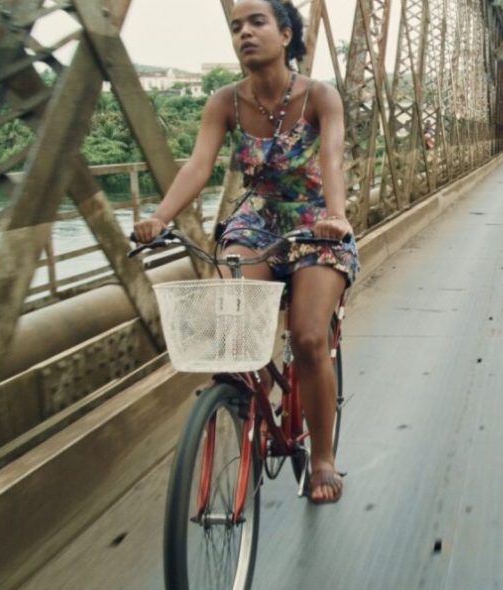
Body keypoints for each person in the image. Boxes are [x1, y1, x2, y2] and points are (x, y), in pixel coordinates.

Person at [133, 0, 357, 504]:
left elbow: (332, 157)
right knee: (231, 327)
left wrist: (336, 217)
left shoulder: (321, 96)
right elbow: (198, 166)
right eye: (236, 26)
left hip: (315, 222)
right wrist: (160, 217)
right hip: (256, 222)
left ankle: (322, 457)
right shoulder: (225, 102)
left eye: (257, 23)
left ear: (285, 34)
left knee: (306, 337)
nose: (245, 33)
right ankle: (245, 403)